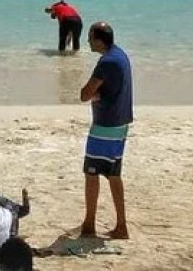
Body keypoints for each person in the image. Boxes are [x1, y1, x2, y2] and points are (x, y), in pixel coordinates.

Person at [79, 21, 132, 239]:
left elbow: (84, 94)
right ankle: (121, 225)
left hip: (105, 127)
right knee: (113, 174)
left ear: (99, 40)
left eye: (90, 38)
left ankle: (89, 224)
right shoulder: (121, 55)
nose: (88, 41)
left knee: (91, 173)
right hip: (120, 124)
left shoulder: (106, 62)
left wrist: (94, 94)